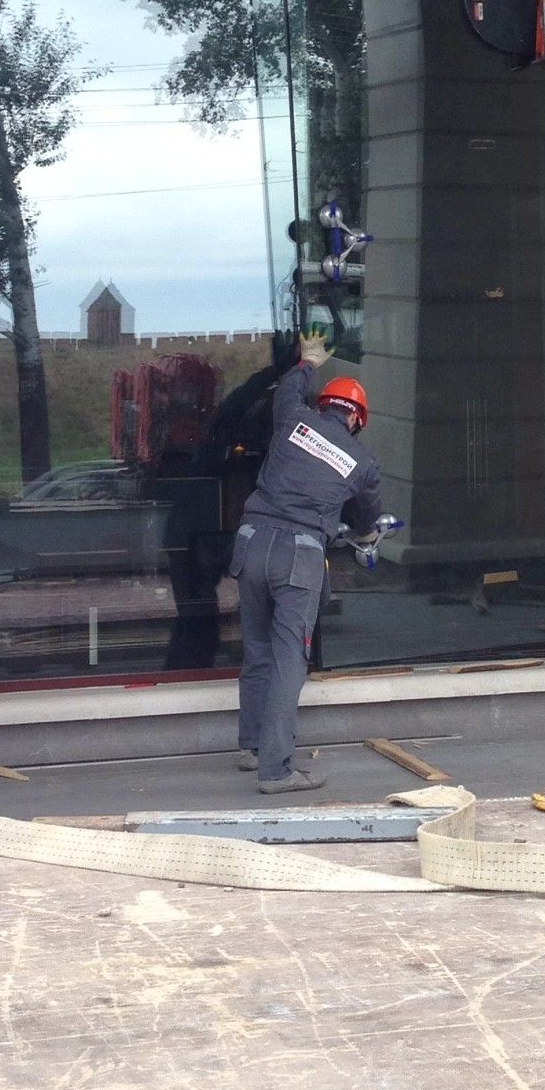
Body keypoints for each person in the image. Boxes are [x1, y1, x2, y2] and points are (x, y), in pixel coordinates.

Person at [230, 336, 381, 792]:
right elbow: (367, 519)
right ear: (356, 419)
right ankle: (276, 771)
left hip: (251, 542)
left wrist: (309, 361)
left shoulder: (294, 419)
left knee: (257, 649)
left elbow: (288, 390)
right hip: (297, 555)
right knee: (288, 661)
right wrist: (367, 537)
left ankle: (252, 747)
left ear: (324, 405)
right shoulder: (362, 461)